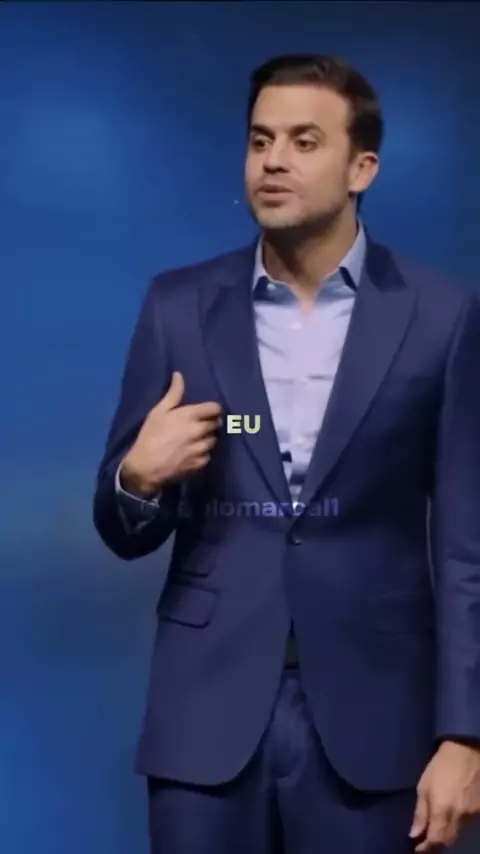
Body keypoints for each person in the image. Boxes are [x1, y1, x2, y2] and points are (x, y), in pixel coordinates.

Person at [93, 53, 480, 854]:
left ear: (361, 168)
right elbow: (123, 526)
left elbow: (468, 545)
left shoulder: (443, 318)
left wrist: (466, 734)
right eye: (260, 140)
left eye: (305, 141)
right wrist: (138, 477)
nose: (273, 160)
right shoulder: (177, 305)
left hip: (378, 718)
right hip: (205, 712)